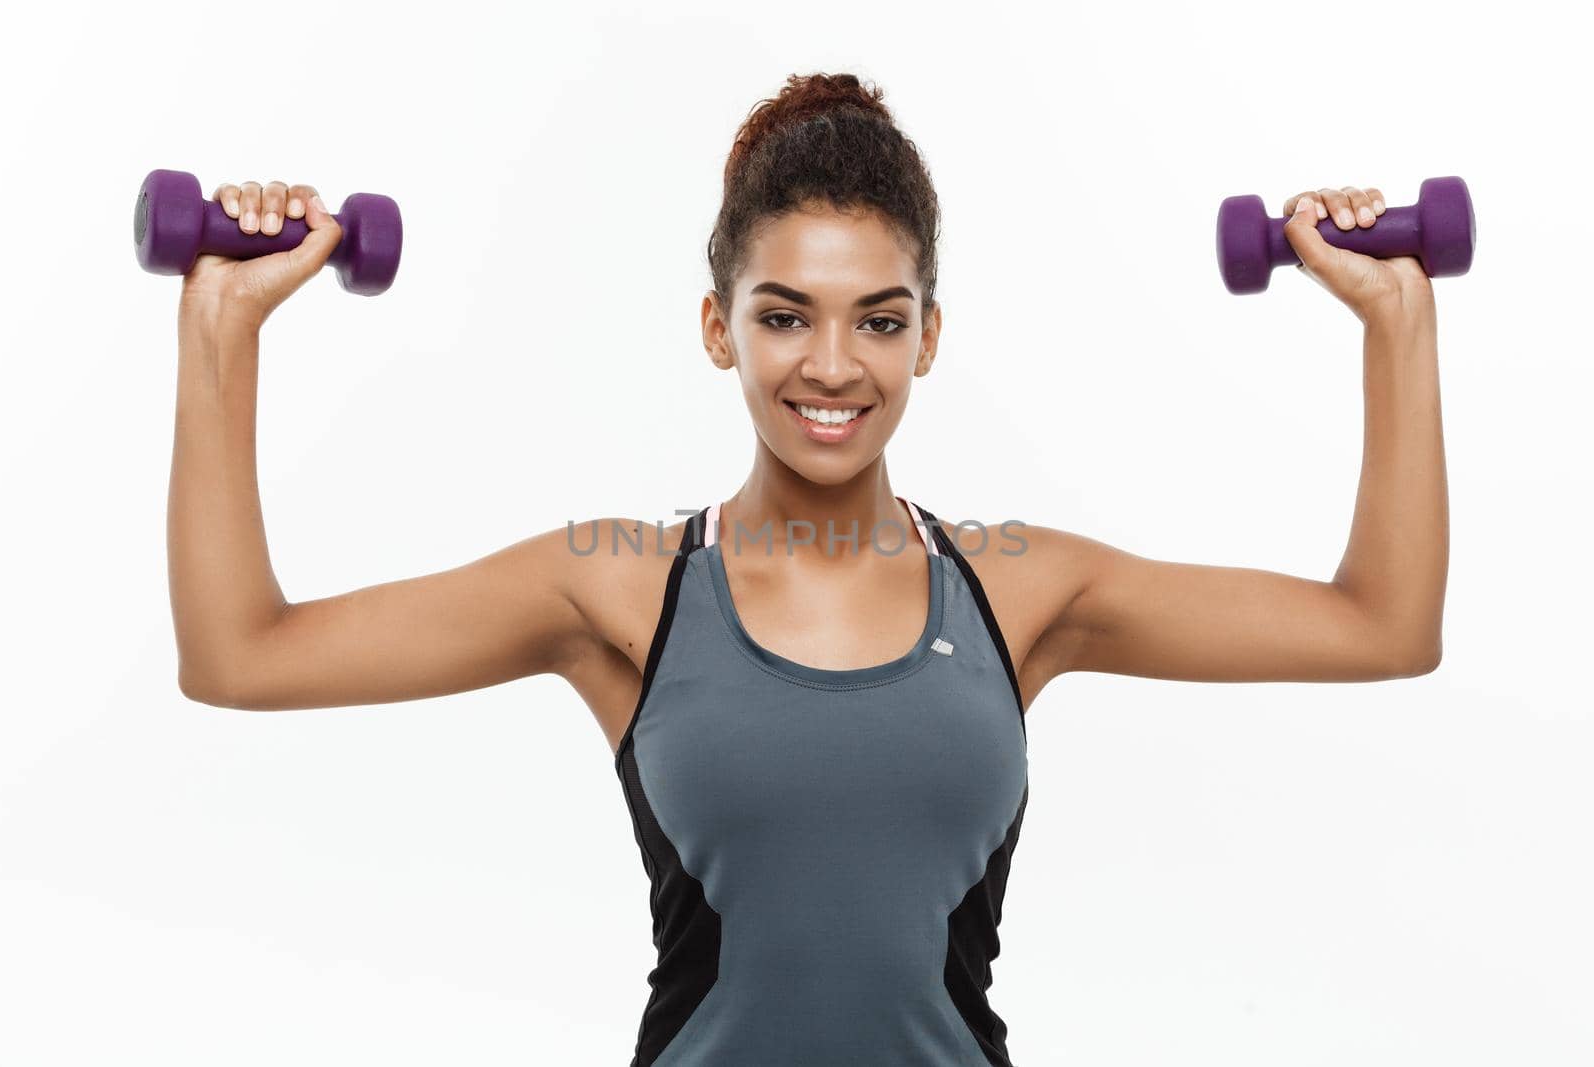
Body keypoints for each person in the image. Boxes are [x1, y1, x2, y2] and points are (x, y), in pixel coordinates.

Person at [168, 71, 1447, 1067]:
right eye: (785, 314)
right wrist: (221, 326)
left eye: (877, 319)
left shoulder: (1018, 589)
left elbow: (1382, 625)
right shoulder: (616, 587)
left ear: (927, 336)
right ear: (719, 325)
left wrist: (1397, 320)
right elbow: (241, 653)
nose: (831, 365)